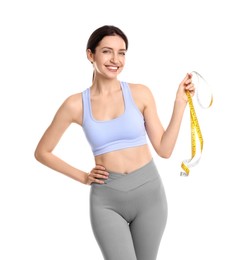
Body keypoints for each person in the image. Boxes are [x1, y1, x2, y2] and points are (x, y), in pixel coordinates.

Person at [34, 25, 195, 260]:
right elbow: (42, 152)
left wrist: (180, 103)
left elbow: (164, 149)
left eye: (122, 53)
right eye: (107, 51)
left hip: (150, 196)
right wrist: (83, 177)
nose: (115, 59)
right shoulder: (75, 105)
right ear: (90, 55)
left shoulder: (140, 94)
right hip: (107, 201)